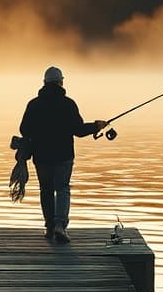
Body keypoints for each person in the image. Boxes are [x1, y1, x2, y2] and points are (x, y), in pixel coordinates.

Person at [19, 66, 106, 243]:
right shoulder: (68, 104)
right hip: (64, 156)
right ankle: (60, 226)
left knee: (46, 190)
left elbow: (24, 129)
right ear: (61, 83)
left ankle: (49, 227)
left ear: (44, 83)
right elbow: (79, 130)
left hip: (41, 157)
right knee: (63, 189)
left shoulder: (34, 104)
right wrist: (96, 126)